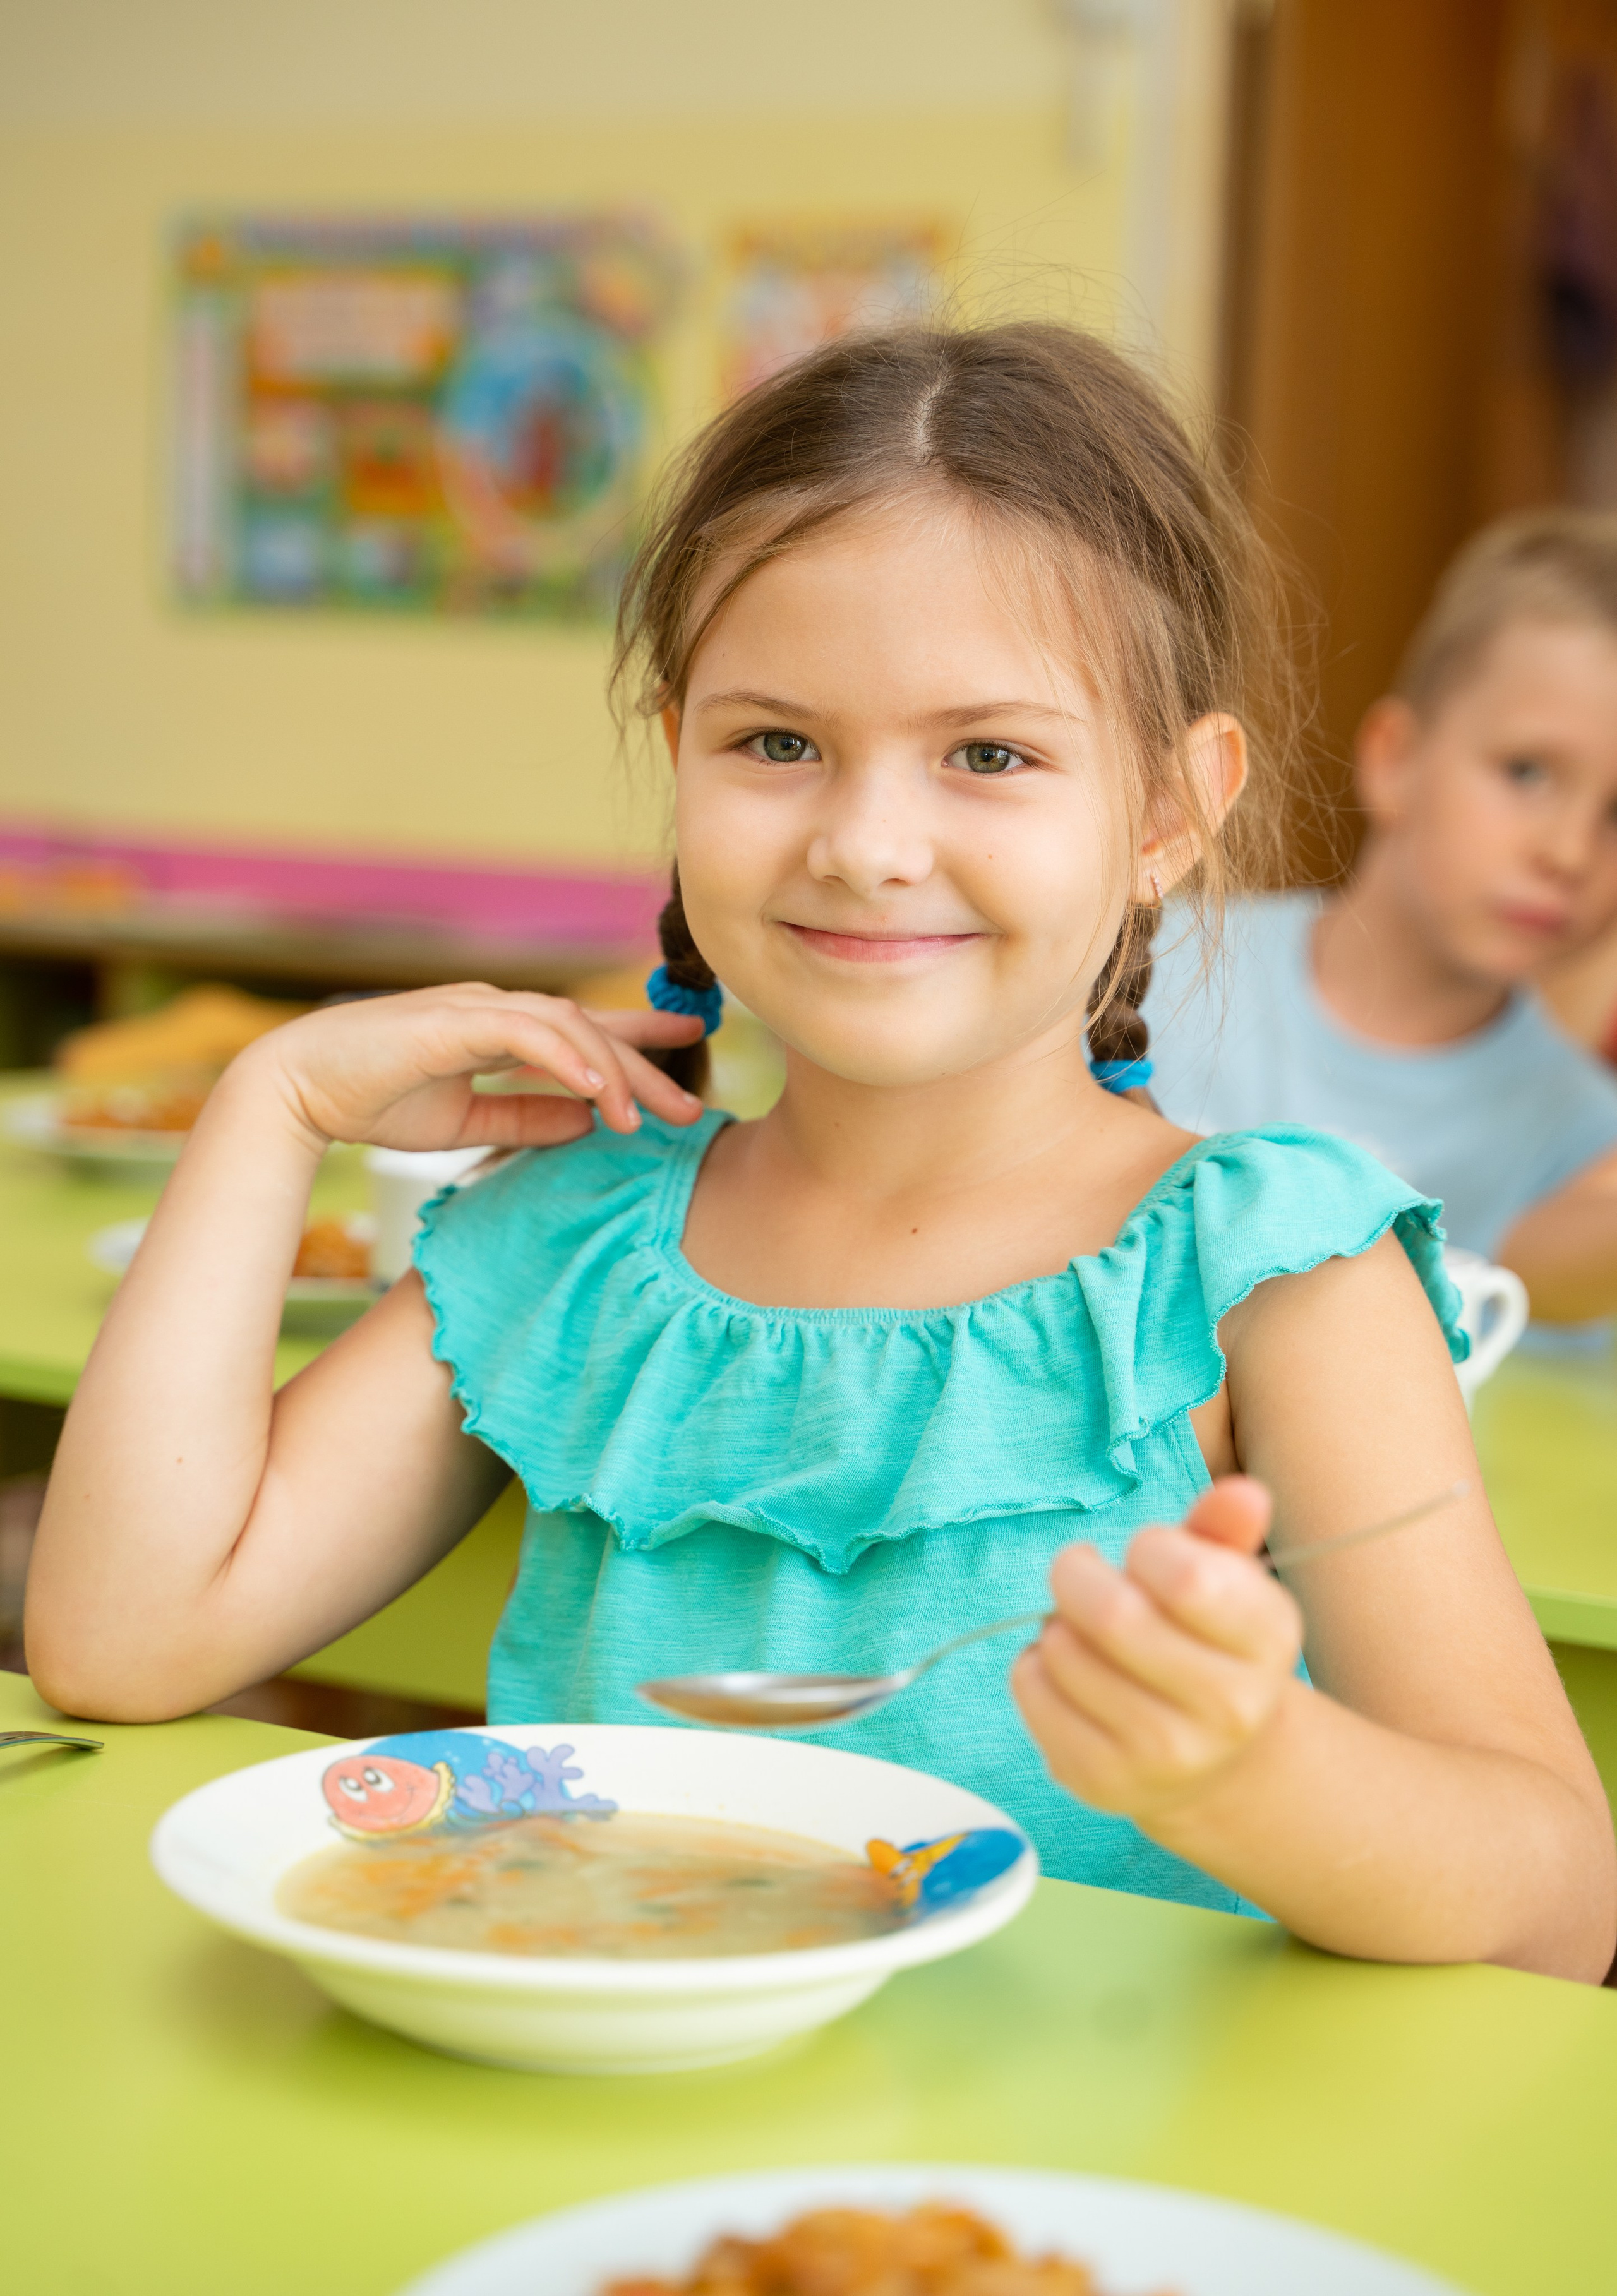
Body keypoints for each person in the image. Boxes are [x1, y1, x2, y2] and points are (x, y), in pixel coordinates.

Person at [26, 328, 1615, 1978]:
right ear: (678, 752)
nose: (865, 844)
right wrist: (269, 1106)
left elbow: (1563, 1908)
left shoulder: (1273, 1267)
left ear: (1165, 812)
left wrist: (1250, 1772)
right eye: (777, 743)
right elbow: (122, 1638)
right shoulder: (570, 1241)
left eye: (988, 754)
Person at [1145, 511, 1617, 1324]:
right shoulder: (1157, 958)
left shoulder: (1582, 1145)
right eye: (1526, 772)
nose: (1569, 852)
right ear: (1394, 758)